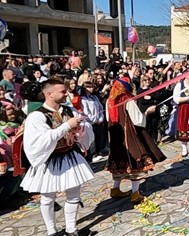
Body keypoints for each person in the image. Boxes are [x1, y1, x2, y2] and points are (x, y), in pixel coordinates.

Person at [19, 79, 94, 236]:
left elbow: (80, 134)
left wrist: (80, 130)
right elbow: (43, 140)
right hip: (49, 160)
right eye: (62, 91)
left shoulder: (68, 110)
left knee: (74, 194)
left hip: (69, 156)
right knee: (48, 197)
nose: (67, 93)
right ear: (49, 94)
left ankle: (71, 229)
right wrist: (67, 125)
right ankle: (51, 231)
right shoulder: (36, 116)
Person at [106, 75, 166, 204]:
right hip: (129, 135)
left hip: (116, 136)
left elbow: (108, 118)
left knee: (119, 159)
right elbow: (138, 120)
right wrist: (147, 113)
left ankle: (115, 189)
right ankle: (135, 193)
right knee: (134, 159)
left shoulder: (109, 101)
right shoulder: (128, 101)